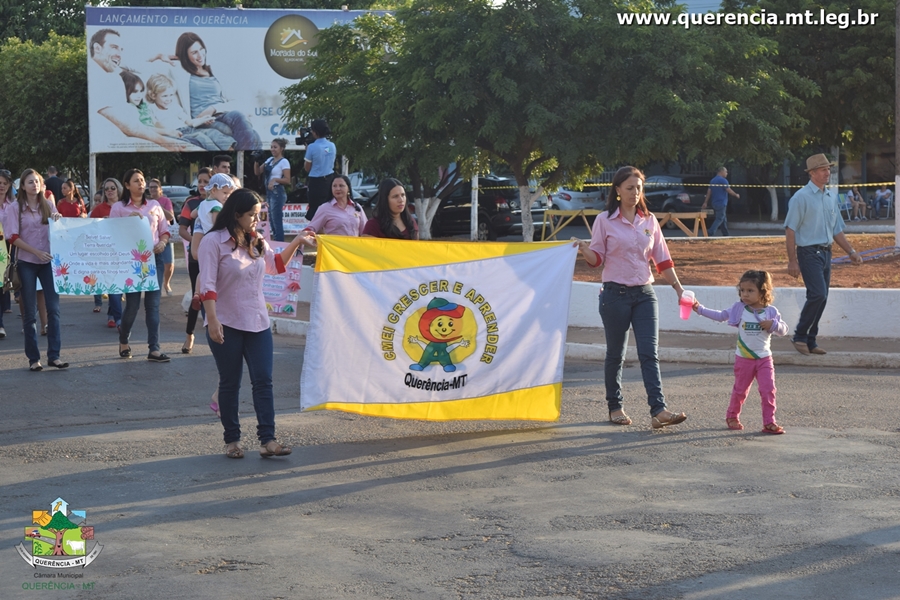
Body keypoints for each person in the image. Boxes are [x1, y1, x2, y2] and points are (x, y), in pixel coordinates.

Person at [197, 188, 316, 459]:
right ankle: (232, 441)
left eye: (258, 214)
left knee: (263, 380)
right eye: (252, 215)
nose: (256, 219)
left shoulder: (256, 240)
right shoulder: (212, 242)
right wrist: (212, 320)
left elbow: (275, 265)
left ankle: (268, 439)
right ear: (236, 214)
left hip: (258, 322)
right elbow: (207, 285)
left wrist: (296, 241)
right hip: (225, 321)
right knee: (230, 382)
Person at [573, 166, 688, 429]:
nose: (635, 193)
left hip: (645, 294)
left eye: (639, 188)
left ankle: (658, 411)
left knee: (650, 353)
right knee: (616, 354)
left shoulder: (649, 220)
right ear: (617, 191)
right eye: (629, 188)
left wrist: (679, 289)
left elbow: (662, 259)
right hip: (615, 295)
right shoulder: (604, 220)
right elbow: (597, 259)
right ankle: (615, 406)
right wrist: (583, 249)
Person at [692, 270, 789, 434]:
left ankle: (769, 422)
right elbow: (721, 315)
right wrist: (699, 309)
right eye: (742, 290)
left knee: (768, 390)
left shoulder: (771, 312)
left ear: (763, 291)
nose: (745, 294)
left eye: (750, 291)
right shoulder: (739, 309)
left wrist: (773, 325)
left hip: (764, 358)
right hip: (744, 359)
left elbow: (784, 330)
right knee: (740, 390)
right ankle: (732, 416)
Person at [785, 154, 863, 355]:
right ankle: (800, 335)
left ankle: (811, 340)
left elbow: (837, 230)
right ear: (812, 173)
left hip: (826, 253)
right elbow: (790, 230)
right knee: (818, 294)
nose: (827, 172)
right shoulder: (800, 198)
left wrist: (851, 252)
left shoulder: (830, 197)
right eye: (822, 169)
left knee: (822, 297)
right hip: (808, 252)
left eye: (828, 169)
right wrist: (792, 261)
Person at [88, 28, 193, 152]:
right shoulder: (97, 77)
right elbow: (128, 126)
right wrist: (165, 141)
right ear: (97, 48)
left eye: (121, 49)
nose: (119, 53)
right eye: (114, 47)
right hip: (122, 146)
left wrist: (158, 56)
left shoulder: (108, 68)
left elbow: (134, 63)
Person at [6, 169, 66, 371]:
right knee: (29, 313)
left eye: (37, 181)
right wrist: (36, 252)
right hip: (26, 262)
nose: (34, 185)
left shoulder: (48, 205)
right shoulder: (15, 208)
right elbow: (12, 237)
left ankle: (54, 356)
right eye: (30, 182)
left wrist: (58, 221)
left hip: (48, 262)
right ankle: (33, 359)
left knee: (54, 310)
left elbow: (58, 232)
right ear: (22, 186)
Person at [110, 168, 171, 362]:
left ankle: (154, 348)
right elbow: (111, 234)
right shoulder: (119, 208)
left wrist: (162, 242)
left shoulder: (154, 205)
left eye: (142, 180)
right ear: (127, 185)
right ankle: (124, 340)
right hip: (131, 262)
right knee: (133, 306)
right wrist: (126, 222)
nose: (141, 183)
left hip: (154, 259)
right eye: (136, 181)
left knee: (152, 305)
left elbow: (165, 231)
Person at [170, 32, 262, 151]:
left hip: (222, 113)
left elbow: (235, 100)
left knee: (245, 124)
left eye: (201, 49)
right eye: (194, 52)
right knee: (252, 135)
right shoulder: (181, 74)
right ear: (185, 56)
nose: (200, 55)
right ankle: (245, 162)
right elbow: (150, 63)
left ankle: (246, 161)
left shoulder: (215, 71)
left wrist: (213, 108)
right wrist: (163, 56)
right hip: (203, 120)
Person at [144, 73, 234, 151]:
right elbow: (152, 127)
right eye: (165, 96)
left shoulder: (174, 106)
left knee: (213, 133)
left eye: (171, 95)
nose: (169, 99)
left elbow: (189, 121)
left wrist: (202, 120)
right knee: (201, 137)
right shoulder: (151, 109)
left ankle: (231, 150)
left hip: (188, 129)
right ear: (153, 95)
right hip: (175, 134)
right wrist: (169, 132)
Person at [179, 167, 212, 354]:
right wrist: (198, 242)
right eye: (199, 181)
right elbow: (183, 229)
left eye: (206, 181)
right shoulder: (191, 203)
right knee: (197, 295)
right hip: (196, 257)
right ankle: (189, 335)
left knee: (215, 295)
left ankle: (215, 333)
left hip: (217, 257)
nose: (201, 185)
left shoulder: (219, 203)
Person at [91, 178, 124, 325]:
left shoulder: (125, 206)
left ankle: (112, 313)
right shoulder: (99, 209)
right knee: (111, 285)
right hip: (105, 252)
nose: (109, 191)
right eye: (106, 189)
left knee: (119, 286)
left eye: (112, 188)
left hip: (123, 251)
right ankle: (117, 318)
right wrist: (102, 223)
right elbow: (90, 228)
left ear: (119, 189)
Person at [253, 138, 290, 241]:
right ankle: (276, 244)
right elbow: (257, 172)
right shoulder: (269, 160)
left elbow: (287, 180)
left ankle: (280, 244)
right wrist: (256, 160)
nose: (273, 149)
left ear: (281, 149)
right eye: (271, 147)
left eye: (275, 147)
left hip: (277, 192)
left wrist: (275, 179)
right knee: (272, 222)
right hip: (269, 193)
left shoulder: (284, 162)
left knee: (277, 221)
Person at [303, 119, 336, 222]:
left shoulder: (312, 147)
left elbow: (307, 168)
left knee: (315, 209)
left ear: (315, 132)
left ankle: (317, 232)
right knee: (329, 206)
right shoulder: (331, 145)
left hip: (316, 181)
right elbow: (325, 153)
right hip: (330, 179)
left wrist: (307, 150)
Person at [148, 178, 176, 295]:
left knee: (169, 263)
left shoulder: (165, 200)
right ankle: (156, 286)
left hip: (165, 234)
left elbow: (170, 216)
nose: (153, 189)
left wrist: (158, 206)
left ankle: (166, 283)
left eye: (155, 187)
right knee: (153, 263)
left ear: (160, 189)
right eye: (151, 187)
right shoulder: (146, 202)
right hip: (152, 235)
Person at [701, 166, 740, 237]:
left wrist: (705, 202)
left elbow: (709, 192)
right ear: (721, 172)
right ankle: (710, 233)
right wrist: (736, 195)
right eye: (726, 172)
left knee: (723, 219)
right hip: (721, 203)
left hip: (714, 203)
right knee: (719, 218)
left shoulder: (712, 180)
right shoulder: (723, 180)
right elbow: (729, 190)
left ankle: (726, 234)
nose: (727, 173)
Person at [0, 168, 15, 339]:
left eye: (4, 183)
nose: (1, 186)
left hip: (9, 247)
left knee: (4, 284)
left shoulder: (13, 205)